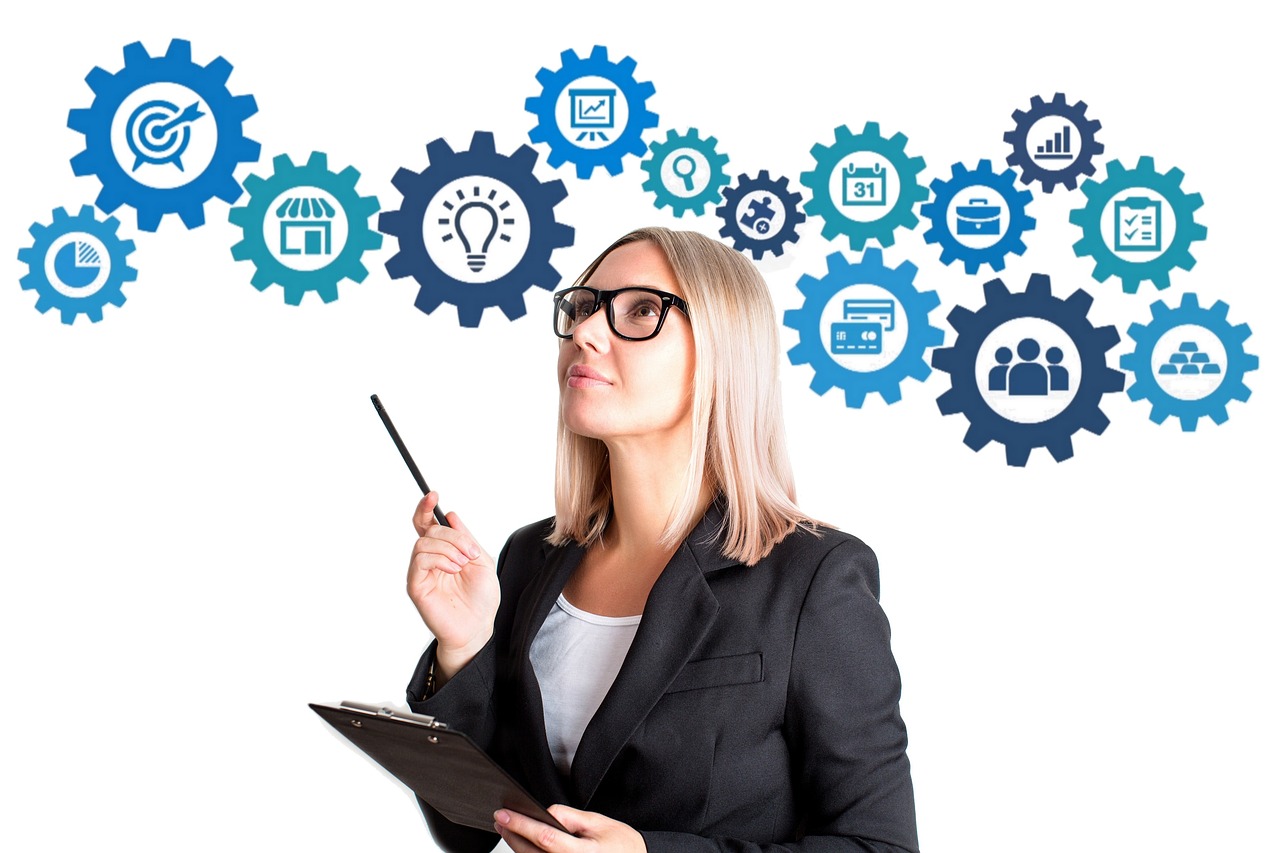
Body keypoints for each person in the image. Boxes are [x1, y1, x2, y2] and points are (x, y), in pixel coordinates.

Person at [404, 227, 918, 852]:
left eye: (642, 311)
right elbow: (469, 831)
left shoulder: (814, 579)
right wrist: (463, 650)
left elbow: (881, 846)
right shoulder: (527, 560)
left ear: (722, 353)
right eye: (583, 308)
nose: (586, 334)